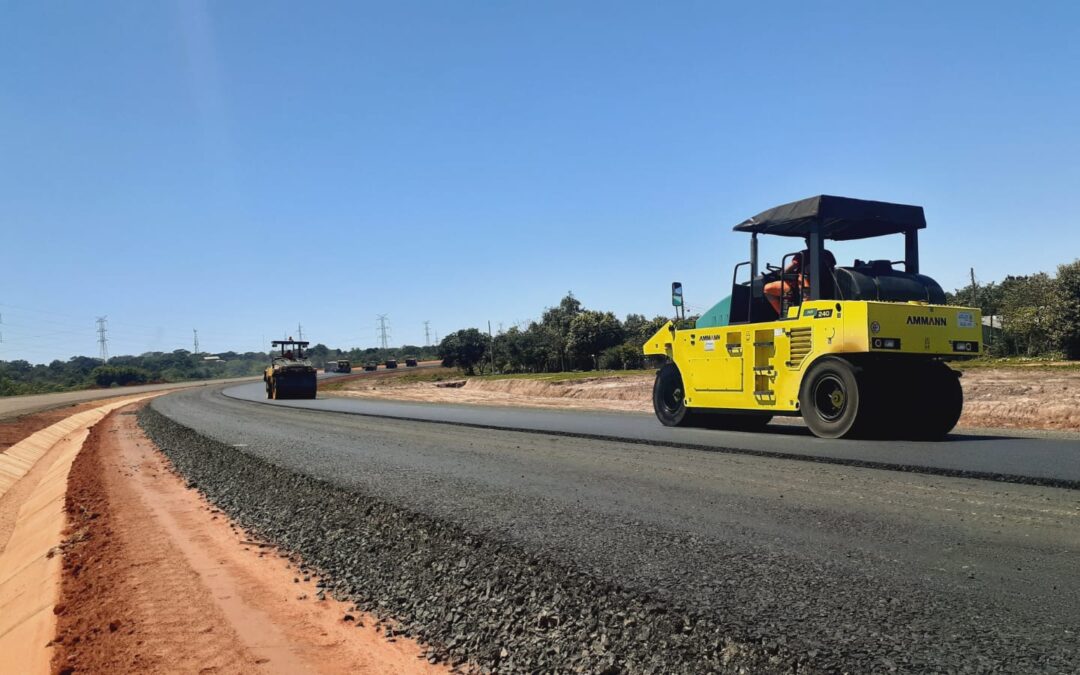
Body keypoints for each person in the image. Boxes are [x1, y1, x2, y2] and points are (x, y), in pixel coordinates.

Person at [763, 248, 836, 316]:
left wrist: (783, 273)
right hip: (827, 286)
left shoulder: (803, 254)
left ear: (807, 241)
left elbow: (791, 267)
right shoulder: (828, 254)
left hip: (804, 285)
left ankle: (784, 315)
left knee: (767, 289)